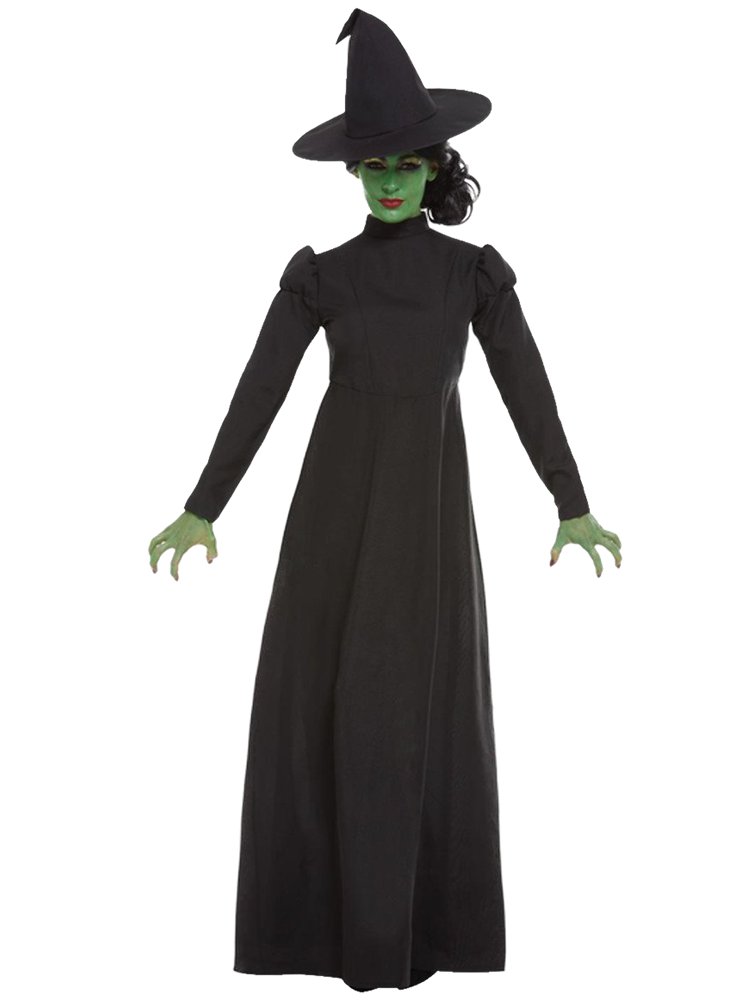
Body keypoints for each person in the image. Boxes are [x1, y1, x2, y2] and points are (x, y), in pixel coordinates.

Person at [148, 8, 621, 992]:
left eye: (408, 163)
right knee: (318, 708)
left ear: (436, 166)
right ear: (353, 174)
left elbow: (527, 386)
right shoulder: (322, 279)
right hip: (329, 521)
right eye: (374, 167)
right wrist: (204, 507)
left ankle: (420, 934)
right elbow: (258, 393)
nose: (392, 181)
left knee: (419, 714)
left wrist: (571, 502)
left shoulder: (469, 275)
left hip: (430, 521)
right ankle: (315, 938)